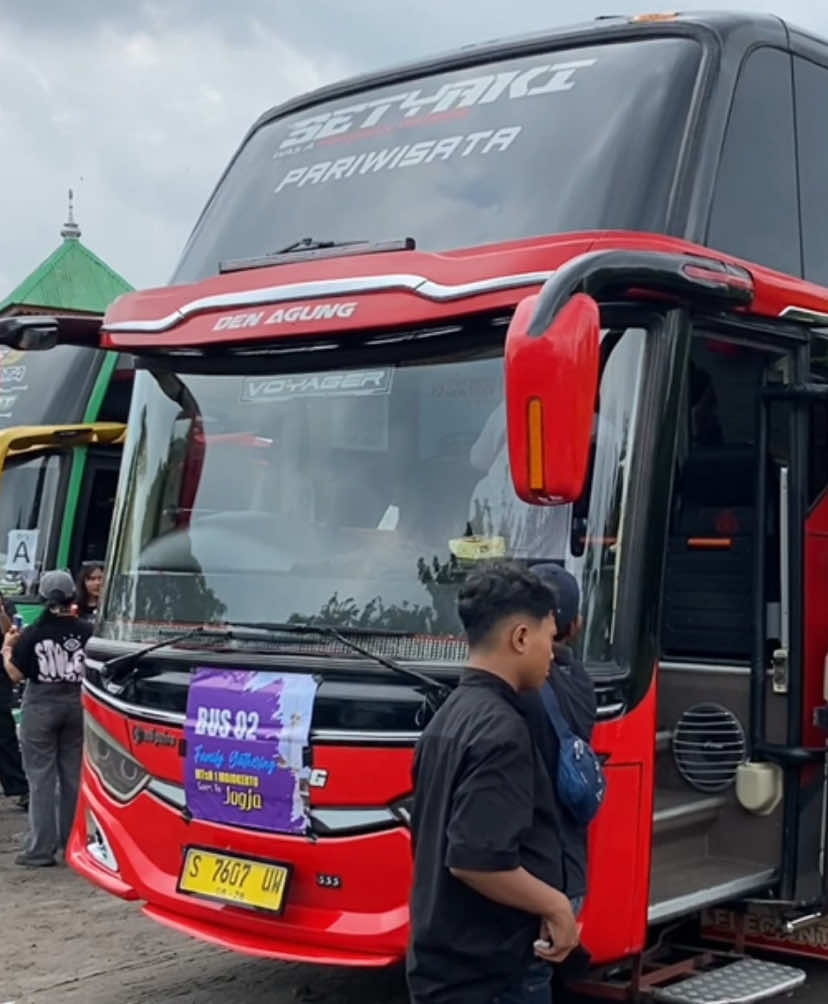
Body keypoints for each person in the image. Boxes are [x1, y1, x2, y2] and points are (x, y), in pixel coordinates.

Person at [407, 560, 579, 1004]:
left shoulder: (449, 716)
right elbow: (476, 860)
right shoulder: (503, 731)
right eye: (548, 638)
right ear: (520, 638)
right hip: (492, 974)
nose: (552, 654)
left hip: (445, 960)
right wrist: (556, 906)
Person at [522, 564, 597, 1001]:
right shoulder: (581, 680)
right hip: (569, 870)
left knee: (526, 981)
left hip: (537, 873)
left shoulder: (524, 689)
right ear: (577, 625)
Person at [3, 571, 92, 867]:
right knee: (71, 776)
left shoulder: (34, 632)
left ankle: (40, 848)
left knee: (40, 777)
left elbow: (15, 674)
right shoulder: (87, 630)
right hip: (77, 704)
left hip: (41, 704)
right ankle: (71, 843)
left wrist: (6, 650)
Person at [0, 592, 28, 811]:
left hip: (1, 674)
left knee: (4, 733)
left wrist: (0, 611)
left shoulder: (6, 603)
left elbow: (11, 632)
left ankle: (19, 787)